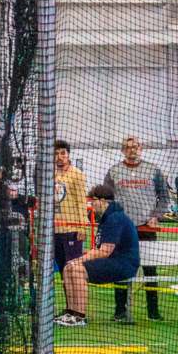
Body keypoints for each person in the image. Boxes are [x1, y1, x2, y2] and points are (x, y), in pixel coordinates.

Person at [54, 185, 140, 327]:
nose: (92, 204)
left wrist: (80, 259)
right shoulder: (107, 218)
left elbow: (105, 251)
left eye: (93, 200)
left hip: (124, 264)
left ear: (102, 201)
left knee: (77, 269)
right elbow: (99, 248)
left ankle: (80, 316)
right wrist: (78, 259)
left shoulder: (115, 218)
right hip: (112, 261)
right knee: (68, 267)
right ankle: (70, 312)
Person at [104, 136, 169, 321]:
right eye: (128, 147)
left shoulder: (153, 170)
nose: (133, 150)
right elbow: (107, 199)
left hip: (146, 229)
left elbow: (164, 198)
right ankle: (120, 311)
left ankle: (153, 311)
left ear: (141, 148)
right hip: (122, 230)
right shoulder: (114, 172)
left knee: (150, 270)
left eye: (136, 147)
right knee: (121, 269)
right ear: (123, 150)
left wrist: (156, 216)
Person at [54, 140, 88, 277]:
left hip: (72, 229)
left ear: (68, 154)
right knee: (62, 270)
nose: (59, 156)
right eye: (56, 153)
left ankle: (75, 299)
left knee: (74, 270)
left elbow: (81, 201)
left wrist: (82, 227)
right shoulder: (51, 174)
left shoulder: (77, 174)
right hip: (55, 230)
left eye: (63, 153)